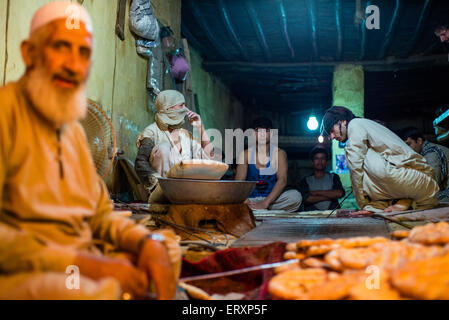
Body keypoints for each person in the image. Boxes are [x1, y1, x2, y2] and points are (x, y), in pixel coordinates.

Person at [0, 2, 180, 300]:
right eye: (61, 47)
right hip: (29, 269)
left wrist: (144, 242)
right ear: (30, 54)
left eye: (82, 53)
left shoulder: (71, 132)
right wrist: (86, 266)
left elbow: (99, 215)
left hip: (81, 258)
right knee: (92, 291)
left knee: (166, 248)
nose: (73, 65)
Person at [321, 106, 439, 215]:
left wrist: (363, 204)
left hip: (423, 181)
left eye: (332, 130)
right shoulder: (364, 127)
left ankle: (400, 202)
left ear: (343, 121)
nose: (331, 137)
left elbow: (355, 169)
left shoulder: (355, 124)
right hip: (422, 190)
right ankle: (402, 202)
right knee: (362, 158)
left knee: (358, 157)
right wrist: (371, 209)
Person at [135, 90, 213, 201]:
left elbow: (209, 158)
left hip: (183, 194)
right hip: (160, 194)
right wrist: (158, 183)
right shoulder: (152, 131)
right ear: (168, 108)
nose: (185, 109)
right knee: (163, 148)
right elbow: (140, 163)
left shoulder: (185, 135)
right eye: (181, 105)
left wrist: (200, 127)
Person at [235, 117, 302, 213]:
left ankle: (259, 209)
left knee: (295, 196)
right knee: (232, 197)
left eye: (266, 131)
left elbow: (282, 180)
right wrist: (246, 201)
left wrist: (265, 203)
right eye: (258, 131)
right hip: (251, 200)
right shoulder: (245, 154)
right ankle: (256, 209)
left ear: (271, 134)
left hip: (272, 200)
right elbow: (238, 182)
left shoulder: (279, 153)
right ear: (254, 134)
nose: (262, 134)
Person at [399, 126, 449, 202]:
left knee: (426, 202)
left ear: (419, 141)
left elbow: (432, 184)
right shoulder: (421, 154)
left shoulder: (432, 153)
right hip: (443, 188)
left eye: (408, 144)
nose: (406, 149)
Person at [297, 145, 345, 211]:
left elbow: (339, 193)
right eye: (317, 158)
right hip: (311, 216)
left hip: (332, 215)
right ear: (312, 162)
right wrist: (330, 196)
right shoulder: (305, 180)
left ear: (326, 162)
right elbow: (306, 199)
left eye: (323, 158)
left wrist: (316, 192)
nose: (320, 161)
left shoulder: (334, 177)